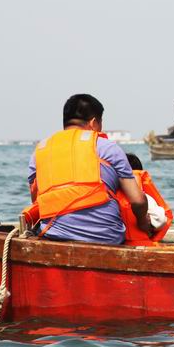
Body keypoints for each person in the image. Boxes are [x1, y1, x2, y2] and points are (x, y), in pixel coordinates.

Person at [23, 94, 153, 244]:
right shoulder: (109, 148)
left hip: (54, 236)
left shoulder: (39, 152)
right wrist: (143, 223)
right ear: (94, 123)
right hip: (107, 238)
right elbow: (138, 201)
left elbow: (37, 202)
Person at [124, 152, 174, 245]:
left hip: (117, 243)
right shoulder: (145, 198)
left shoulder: (110, 196)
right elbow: (161, 220)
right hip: (141, 243)